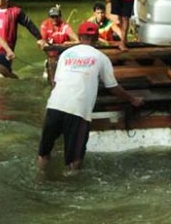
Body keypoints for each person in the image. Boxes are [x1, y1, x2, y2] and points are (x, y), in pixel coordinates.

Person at [37, 22, 144, 172]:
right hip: (78, 111)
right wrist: (132, 99)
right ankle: (73, 187)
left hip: (54, 106)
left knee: (44, 153)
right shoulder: (101, 57)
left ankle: (41, 177)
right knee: (74, 161)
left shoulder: (65, 54)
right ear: (96, 38)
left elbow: (57, 83)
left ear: (79, 37)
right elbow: (112, 87)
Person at [0, 0, 46, 79]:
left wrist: (39, 38)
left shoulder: (16, 12)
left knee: (4, 72)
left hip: (6, 47)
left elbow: (28, 24)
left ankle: (18, 80)